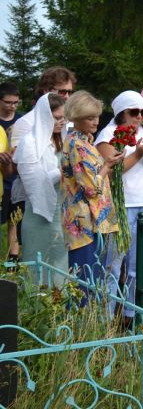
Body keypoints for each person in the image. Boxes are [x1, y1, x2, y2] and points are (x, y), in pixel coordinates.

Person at [96, 91, 143, 322]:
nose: (140, 117)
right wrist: (138, 152)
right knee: (113, 265)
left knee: (137, 266)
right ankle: (105, 318)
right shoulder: (107, 135)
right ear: (121, 113)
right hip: (119, 204)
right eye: (134, 112)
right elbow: (114, 170)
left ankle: (131, 315)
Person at [62, 91, 123, 306]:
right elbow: (91, 188)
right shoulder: (77, 144)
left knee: (90, 279)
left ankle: (85, 331)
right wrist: (107, 165)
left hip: (89, 220)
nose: (95, 121)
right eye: (89, 118)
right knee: (84, 283)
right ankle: (80, 334)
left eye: (97, 116)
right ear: (76, 118)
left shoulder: (83, 141)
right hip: (84, 223)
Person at [14, 93, 66, 285]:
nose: (62, 122)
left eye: (63, 117)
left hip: (60, 215)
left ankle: (59, 314)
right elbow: (33, 183)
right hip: (38, 216)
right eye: (57, 118)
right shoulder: (29, 143)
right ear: (45, 116)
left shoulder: (61, 140)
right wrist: (61, 172)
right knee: (37, 274)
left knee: (60, 272)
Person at [0, 82, 23, 264]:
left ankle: (13, 262)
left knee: (14, 221)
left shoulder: (21, 121)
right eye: (8, 102)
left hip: (18, 177)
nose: (12, 106)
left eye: (16, 102)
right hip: (2, 178)